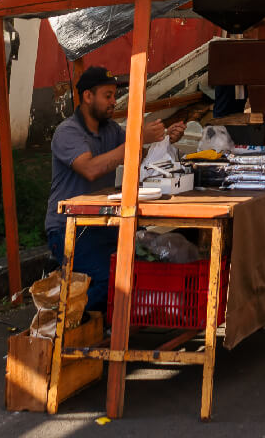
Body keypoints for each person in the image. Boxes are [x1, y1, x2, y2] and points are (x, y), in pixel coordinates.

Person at [46, 67, 185, 313]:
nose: (113, 102)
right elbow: (89, 168)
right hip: (69, 228)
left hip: (105, 221)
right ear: (88, 97)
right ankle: (67, 320)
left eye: (114, 96)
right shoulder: (67, 132)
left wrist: (164, 140)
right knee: (110, 278)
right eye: (107, 96)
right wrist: (137, 139)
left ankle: (113, 320)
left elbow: (135, 156)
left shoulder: (111, 129)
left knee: (150, 261)